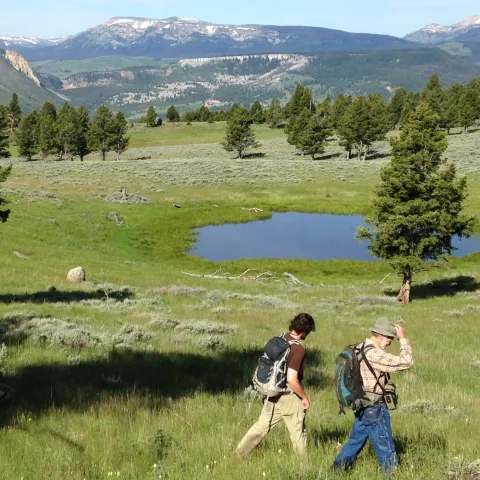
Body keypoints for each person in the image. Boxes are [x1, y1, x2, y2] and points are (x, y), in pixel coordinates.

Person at [332, 318, 413, 476]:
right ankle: (391, 475)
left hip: (361, 405)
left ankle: (335, 472)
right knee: (386, 449)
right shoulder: (374, 354)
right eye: (390, 339)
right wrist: (403, 339)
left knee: (354, 443)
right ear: (382, 336)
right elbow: (406, 362)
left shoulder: (360, 347)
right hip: (374, 408)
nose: (390, 343)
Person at [236, 312, 316, 459]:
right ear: (305, 331)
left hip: (272, 392)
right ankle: (303, 465)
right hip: (289, 396)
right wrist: (304, 397)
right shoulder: (297, 349)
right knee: (298, 432)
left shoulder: (281, 338)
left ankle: (239, 454)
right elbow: (292, 379)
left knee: (261, 427)